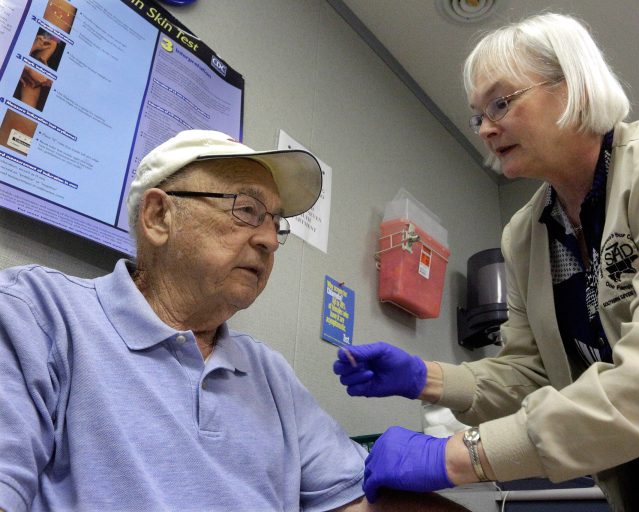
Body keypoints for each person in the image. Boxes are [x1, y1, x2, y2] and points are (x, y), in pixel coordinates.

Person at [333, 13, 639, 512]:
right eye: (477, 116)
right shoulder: (526, 234)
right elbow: (533, 372)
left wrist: (458, 455)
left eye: (501, 102)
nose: (486, 129)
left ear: (575, 85)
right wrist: (425, 377)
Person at [0, 130, 468, 512]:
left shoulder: (270, 374)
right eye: (246, 210)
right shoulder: (40, 313)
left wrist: (466, 460)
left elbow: (350, 505)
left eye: (276, 222)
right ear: (159, 216)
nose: (268, 239)